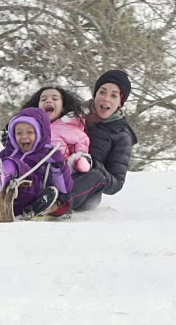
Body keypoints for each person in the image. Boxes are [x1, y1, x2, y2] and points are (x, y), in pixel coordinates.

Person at [39, 69, 139, 217]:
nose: (106, 99)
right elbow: (43, 119)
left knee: (96, 175)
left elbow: (116, 183)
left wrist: (93, 165)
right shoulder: (74, 113)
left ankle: (56, 204)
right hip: (53, 172)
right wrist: (14, 133)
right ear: (95, 93)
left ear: (120, 103)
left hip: (84, 190)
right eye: (102, 92)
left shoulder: (121, 136)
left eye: (113, 95)